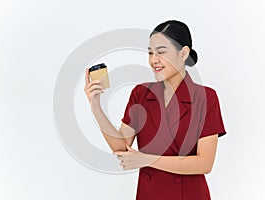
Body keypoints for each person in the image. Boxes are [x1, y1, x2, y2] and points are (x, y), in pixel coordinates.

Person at [84, 20, 226, 200]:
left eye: (161, 52)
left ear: (183, 53)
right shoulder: (141, 94)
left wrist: (147, 159)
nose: (153, 60)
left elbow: (204, 163)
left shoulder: (205, 97)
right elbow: (122, 147)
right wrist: (95, 106)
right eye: (150, 53)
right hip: (149, 194)